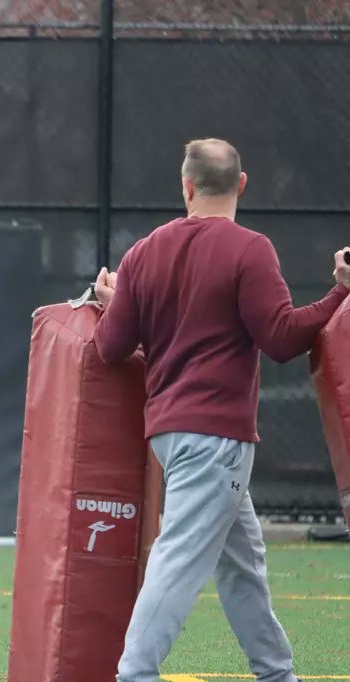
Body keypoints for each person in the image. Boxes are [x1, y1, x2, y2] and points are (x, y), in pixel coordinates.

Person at [94, 137, 350, 682]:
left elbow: (110, 347)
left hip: (169, 434)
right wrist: (339, 292)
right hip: (217, 438)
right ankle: (134, 674)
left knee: (243, 566)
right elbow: (282, 339)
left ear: (185, 186)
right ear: (241, 184)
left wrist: (112, 302)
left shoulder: (143, 251)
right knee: (180, 559)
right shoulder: (249, 247)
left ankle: (277, 674)